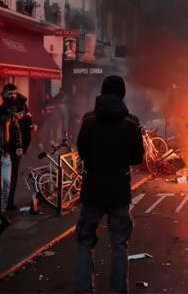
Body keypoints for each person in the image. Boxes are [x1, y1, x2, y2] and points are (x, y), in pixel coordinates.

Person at [75, 76, 144, 293]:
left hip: (92, 191)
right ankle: (118, 289)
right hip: (119, 192)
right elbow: (136, 159)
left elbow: (82, 151)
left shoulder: (88, 121)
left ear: (102, 93)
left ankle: (84, 288)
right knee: (119, 244)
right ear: (122, 95)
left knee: (85, 242)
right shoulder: (131, 123)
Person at [1, 84, 34, 210]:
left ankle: (9, 202)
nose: (13, 96)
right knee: (4, 177)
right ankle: (3, 203)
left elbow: (28, 119)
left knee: (13, 175)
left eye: (14, 93)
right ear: (5, 94)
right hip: (5, 144)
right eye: (10, 94)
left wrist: (27, 121)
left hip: (18, 144)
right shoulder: (2, 106)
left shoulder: (22, 104)